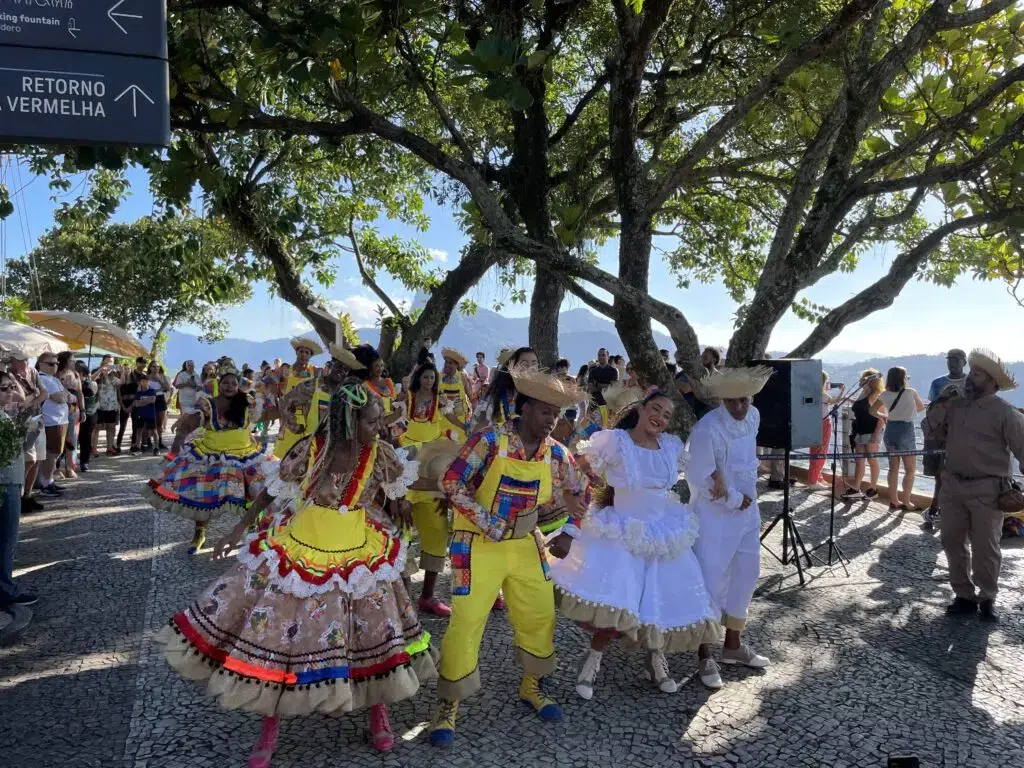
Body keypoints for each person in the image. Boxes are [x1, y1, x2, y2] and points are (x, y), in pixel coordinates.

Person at [156, 379, 435, 763]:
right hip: (301, 546)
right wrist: (239, 528)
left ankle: (377, 710)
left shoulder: (381, 453)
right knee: (283, 636)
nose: (379, 427)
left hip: (360, 548)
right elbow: (273, 490)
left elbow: (400, 495)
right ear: (350, 422)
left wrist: (414, 508)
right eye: (372, 421)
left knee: (371, 629)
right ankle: (270, 727)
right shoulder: (312, 449)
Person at [428, 366, 585, 747]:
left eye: (557, 414)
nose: (552, 421)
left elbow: (582, 492)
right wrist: (489, 523)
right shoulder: (489, 441)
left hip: (525, 544)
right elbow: (452, 483)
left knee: (540, 612)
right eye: (545, 411)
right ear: (523, 408)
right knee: (466, 622)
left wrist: (569, 532)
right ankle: (447, 704)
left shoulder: (558, 454)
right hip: (474, 545)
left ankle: (532, 685)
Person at [548, 388, 720, 701]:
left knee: (661, 595)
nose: (660, 418)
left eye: (667, 415)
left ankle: (655, 659)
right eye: (656, 409)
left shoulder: (670, 445)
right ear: (640, 409)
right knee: (619, 595)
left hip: (665, 529)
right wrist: (590, 487)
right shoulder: (616, 441)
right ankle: (592, 660)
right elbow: (581, 464)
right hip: (622, 529)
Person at [686, 366, 775, 690]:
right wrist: (734, 498)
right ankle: (704, 651)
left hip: (748, 513)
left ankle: (733, 645)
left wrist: (746, 498)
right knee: (709, 578)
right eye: (733, 401)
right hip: (714, 516)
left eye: (744, 400)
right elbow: (698, 475)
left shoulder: (753, 417)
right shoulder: (707, 429)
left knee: (746, 574)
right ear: (722, 400)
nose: (740, 407)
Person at [922, 349, 1024, 624]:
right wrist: (941, 402)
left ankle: (987, 597)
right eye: (972, 372)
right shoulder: (954, 406)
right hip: (953, 484)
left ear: (991, 382)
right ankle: (963, 595)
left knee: (986, 547)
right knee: (951, 541)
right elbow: (929, 430)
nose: (971, 377)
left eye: (977, 374)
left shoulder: (1005, 412)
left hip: (988, 490)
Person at [143, 360, 266, 555]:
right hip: (213, 455)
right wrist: (178, 442)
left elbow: (263, 416)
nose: (230, 387)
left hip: (245, 455)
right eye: (226, 383)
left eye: (234, 383)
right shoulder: (208, 403)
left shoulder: (246, 401)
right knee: (204, 495)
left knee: (252, 492)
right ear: (219, 383)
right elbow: (190, 424)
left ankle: (251, 529)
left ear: (238, 385)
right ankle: (200, 532)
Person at [398, 362, 466, 616]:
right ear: (418, 378)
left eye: (431, 378)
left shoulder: (440, 401)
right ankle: (402, 600)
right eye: (425, 377)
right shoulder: (408, 398)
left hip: (434, 460)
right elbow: (394, 419)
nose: (428, 381)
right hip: (408, 457)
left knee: (437, 531)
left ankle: (428, 596)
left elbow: (450, 420)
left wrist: (463, 428)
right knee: (400, 531)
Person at [0, 368, 36, 610]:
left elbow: (19, 449)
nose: (10, 392)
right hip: (5, 483)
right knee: (6, 539)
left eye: (10, 388)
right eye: (4, 388)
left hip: (11, 480)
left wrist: (30, 429)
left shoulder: (4, 414)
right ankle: (5, 590)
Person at [923, 349, 968, 529]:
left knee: (958, 475)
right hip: (940, 434)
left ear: (964, 362)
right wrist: (943, 398)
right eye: (950, 360)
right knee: (939, 474)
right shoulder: (937, 383)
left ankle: (950, 510)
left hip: (964, 435)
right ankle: (936, 508)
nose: (952, 363)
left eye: (956, 360)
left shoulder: (972, 383)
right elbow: (931, 407)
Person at [880, 367, 926, 511]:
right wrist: (908, 411)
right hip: (906, 430)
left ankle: (894, 501)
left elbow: (872, 410)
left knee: (893, 468)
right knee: (910, 469)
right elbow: (920, 408)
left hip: (890, 430)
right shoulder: (910, 392)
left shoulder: (884, 394)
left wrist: (885, 416)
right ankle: (906, 501)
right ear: (903, 378)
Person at [272, 336, 323, 459]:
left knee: (306, 453)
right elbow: (271, 388)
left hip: (309, 417)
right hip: (289, 418)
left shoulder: (316, 372)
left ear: (310, 356)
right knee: (284, 453)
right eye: (301, 351)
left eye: (307, 352)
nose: (304, 355)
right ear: (296, 352)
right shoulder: (284, 371)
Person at [9, 352, 47, 514]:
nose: (26, 362)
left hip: (36, 419)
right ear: (13, 360)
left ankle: (27, 496)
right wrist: (34, 395)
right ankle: (16, 496)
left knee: (37, 458)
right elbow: (21, 400)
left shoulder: (33, 371)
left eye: (26, 359)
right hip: (20, 423)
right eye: (21, 360)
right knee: (27, 460)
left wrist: (34, 399)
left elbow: (44, 393)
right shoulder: (9, 374)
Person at [841, 369, 888, 501]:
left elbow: (881, 417)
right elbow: (860, 406)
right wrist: (848, 399)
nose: (861, 380)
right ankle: (856, 488)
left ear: (871, 381)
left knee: (872, 461)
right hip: (860, 431)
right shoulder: (863, 393)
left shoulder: (876, 395)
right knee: (859, 461)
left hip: (871, 431)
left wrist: (875, 434)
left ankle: (873, 489)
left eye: (864, 379)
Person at [35, 352, 70, 497]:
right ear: (41, 364)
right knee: (52, 453)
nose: (55, 366)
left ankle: (47, 480)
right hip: (53, 421)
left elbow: (67, 395)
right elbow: (61, 398)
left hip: (60, 420)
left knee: (54, 453)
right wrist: (65, 395)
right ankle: (46, 483)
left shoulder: (53, 379)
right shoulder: (45, 379)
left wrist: (65, 394)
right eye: (51, 364)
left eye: (56, 363)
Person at [807, 372, 844, 486]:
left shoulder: (809, 393)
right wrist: (842, 391)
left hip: (812, 424)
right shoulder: (823, 395)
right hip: (823, 424)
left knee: (815, 451)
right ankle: (813, 481)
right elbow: (835, 401)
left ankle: (817, 477)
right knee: (821, 451)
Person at [56, 351, 83, 479]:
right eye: (72, 360)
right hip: (58, 408)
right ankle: (56, 468)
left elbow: (80, 393)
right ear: (65, 361)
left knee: (71, 438)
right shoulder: (57, 374)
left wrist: (83, 410)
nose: (74, 362)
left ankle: (69, 467)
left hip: (73, 409)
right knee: (58, 438)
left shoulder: (76, 374)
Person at [117, 358, 147, 453]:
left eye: (128, 369)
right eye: (124, 369)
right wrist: (123, 406)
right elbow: (118, 394)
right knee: (122, 426)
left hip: (134, 404)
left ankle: (133, 445)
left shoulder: (136, 380)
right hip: (123, 404)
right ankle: (118, 445)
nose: (126, 371)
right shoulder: (120, 380)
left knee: (135, 425)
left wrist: (131, 406)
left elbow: (138, 393)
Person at [93, 356, 121, 455]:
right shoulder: (97, 371)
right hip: (99, 404)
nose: (110, 363)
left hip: (112, 405)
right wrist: (101, 371)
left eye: (112, 361)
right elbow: (90, 379)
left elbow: (121, 383)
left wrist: (124, 373)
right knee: (97, 427)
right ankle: (94, 448)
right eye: (108, 361)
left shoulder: (114, 373)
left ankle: (109, 448)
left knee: (111, 427)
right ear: (103, 361)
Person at [76, 361, 98, 472]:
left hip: (88, 415)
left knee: (85, 439)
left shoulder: (91, 384)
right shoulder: (71, 383)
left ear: (82, 372)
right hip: (75, 414)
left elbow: (91, 395)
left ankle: (84, 462)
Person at [131, 373, 160, 456]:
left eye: (146, 381)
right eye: (142, 381)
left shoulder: (152, 391)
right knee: (139, 430)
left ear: (148, 382)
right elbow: (136, 404)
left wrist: (141, 401)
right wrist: (147, 400)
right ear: (140, 382)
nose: (144, 382)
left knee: (154, 431)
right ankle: (137, 447)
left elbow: (153, 400)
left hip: (150, 414)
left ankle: (156, 448)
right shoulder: (138, 393)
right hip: (141, 414)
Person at [147, 362, 173, 450]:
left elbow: (167, 388)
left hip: (161, 398)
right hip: (150, 399)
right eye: (154, 367)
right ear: (150, 368)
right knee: (151, 421)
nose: (156, 368)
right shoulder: (147, 377)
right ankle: (148, 441)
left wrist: (160, 380)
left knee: (160, 422)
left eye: (157, 367)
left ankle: (159, 442)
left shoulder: (162, 376)